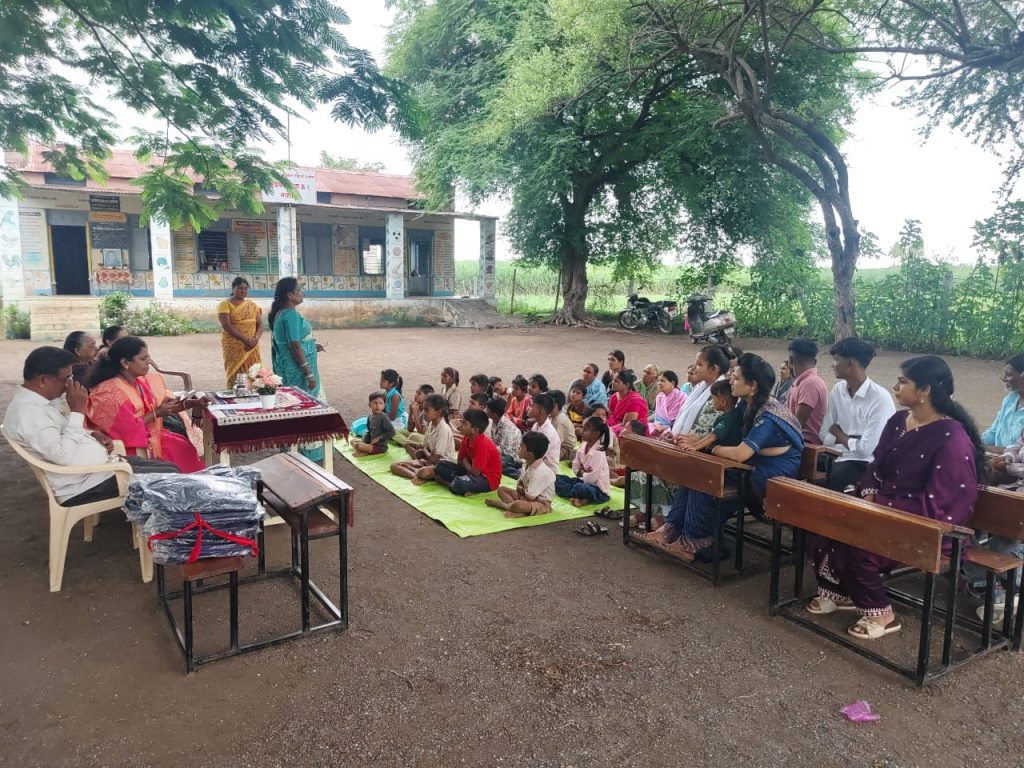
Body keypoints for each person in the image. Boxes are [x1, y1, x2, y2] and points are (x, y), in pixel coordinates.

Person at [808, 355, 983, 640]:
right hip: (884, 509)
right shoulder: (899, 421)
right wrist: (869, 495)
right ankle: (842, 594)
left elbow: (945, 503)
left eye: (903, 382)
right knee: (827, 525)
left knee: (859, 545)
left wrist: (880, 508)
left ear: (925, 390)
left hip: (926, 525)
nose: (895, 387)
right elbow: (876, 467)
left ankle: (882, 614)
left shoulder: (952, 438)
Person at [643, 353, 803, 559]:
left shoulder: (768, 415)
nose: (730, 382)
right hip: (750, 466)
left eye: (736, 378)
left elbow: (740, 453)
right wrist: (698, 442)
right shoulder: (747, 403)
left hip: (770, 476)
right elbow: (725, 434)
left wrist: (707, 448)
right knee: (696, 471)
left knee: (706, 475)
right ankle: (672, 528)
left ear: (752, 385)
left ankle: (695, 541)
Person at [3, 347, 178, 506]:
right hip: (86, 484)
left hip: (101, 470)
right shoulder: (28, 413)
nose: (70, 384)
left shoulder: (40, 402)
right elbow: (62, 455)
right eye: (66, 378)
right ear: (43, 380)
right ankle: (166, 528)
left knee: (171, 469)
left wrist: (92, 434)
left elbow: (62, 431)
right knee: (171, 479)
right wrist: (78, 411)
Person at [85, 337, 205, 473]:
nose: (148, 362)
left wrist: (192, 403)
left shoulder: (139, 381)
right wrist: (155, 413)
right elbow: (126, 432)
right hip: (128, 448)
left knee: (182, 445)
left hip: (148, 436)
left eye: (148, 357)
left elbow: (161, 408)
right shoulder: (110, 392)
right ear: (125, 362)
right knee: (177, 450)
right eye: (143, 359)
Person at [819, 337, 896, 492]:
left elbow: (865, 451)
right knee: (800, 463)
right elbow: (823, 434)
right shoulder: (838, 390)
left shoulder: (880, 399)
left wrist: (838, 433)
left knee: (832, 479)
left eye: (836, 359)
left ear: (851, 363)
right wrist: (852, 440)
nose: (833, 364)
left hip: (865, 463)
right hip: (835, 455)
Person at [269, 277, 326, 461]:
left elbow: (291, 342)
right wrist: (308, 372)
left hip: (287, 367)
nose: (303, 293)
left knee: (290, 407)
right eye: (299, 290)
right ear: (289, 295)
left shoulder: (281, 313)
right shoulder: (291, 315)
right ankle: (304, 452)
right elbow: (294, 346)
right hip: (296, 370)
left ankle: (290, 449)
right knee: (303, 407)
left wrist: (311, 346)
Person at [485, 432, 555, 517]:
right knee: (501, 490)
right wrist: (519, 491)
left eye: (521, 446)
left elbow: (531, 496)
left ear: (529, 454)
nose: (519, 448)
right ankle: (515, 509)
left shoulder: (541, 472)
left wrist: (520, 492)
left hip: (539, 503)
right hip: (524, 496)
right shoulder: (526, 464)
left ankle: (504, 505)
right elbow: (520, 484)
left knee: (519, 505)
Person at [434, 409, 502, 496]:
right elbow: (459, 461)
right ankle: (462, 484)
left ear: (475, 430)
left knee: (459, 484)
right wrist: (467, 464)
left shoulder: (483, 444)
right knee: (440, 465)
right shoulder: (466, 438)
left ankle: (449, 483)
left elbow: (475, 473)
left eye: (464, 423)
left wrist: (466, 461)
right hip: (470, 472)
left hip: (487, 479)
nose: (460, 426)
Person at [217, 277, 264, 389]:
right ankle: (236, 393)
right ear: (233, 288)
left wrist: (255, 339)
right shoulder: (225, 304)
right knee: (236, 373)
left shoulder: (252, 305)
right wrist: (246, 340)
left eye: (245, 288)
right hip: (235, 345)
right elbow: (227, 325)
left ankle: (254, 393)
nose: (243, 291)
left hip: (252, 345)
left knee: (254, 372)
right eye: (239, 288)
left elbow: (260, 324)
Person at [554, 415, 612, 507]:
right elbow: (575, 466)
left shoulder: (598, 453)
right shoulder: (583, 446)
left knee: (579, 487)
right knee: (555, 479)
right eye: (582, 428)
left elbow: (592, 479)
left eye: (585, 430)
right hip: (582, 480)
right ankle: (579, 497)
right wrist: (581, 471)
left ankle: (580, 496)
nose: (582, 432)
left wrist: (581, 472)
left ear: (596, 434)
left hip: (598, 489)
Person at [392, 393, 454, 476]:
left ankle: (416, 471)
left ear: (438, 412)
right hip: (429, 460)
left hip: (442, 466)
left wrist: (424, 450)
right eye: (424, 409)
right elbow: (426, 446)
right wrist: (411, 445)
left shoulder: (443, 429)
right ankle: (415, 473)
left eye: (427, 410)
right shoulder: (431, 424)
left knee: (424, 472)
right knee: (394, 465)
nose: (424, 413)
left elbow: (434, 459)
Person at [676, 379, 743, 454]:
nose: (711, 402)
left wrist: (694, 446)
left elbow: (713, 436)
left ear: (723, 402)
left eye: (713, 399)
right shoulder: (730, 415)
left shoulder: (730, 418)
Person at [786, 338, 829, 446]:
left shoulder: (810, 383)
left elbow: (797, 424)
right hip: (796, 440)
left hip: (806, 445)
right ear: (815, 362)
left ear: (790, 360)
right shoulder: (801, 382)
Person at [981, 354, 1024, 449]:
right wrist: (974, 441)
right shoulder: (1010, 400)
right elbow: (994, 432)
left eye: (1009, 375)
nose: (1003, 379)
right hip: (1000, 456)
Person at [486, 396, 524, 478]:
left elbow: (507, 452)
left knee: (494, 461)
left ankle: (518, 474)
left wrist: (489, 448)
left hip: (512, 458)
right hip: (501, 454)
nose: (486, 411)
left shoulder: (507, 427)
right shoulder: (494, 421)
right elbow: (494, 442)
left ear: (494, 414)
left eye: (487, 409)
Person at [608, 370, 648, 436]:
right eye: (613, 380)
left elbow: (626, 426)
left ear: (626, 385)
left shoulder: (634, 401)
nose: (613, 383)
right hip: (614, 428)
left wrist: (608, 430)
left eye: (616, 381)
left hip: (630, 432)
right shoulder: (614, 396)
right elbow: (609, 416)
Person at [529, 393, 561, 473]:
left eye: (532, 406)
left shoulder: (549, 432)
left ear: (540, 411)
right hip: (534, 464)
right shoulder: (536, 425)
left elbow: (537, 457)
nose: (529, 408)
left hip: (547, 470)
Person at [650, 369, 685, 435]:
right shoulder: (659, 397)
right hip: (659, 427)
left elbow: (682, 419)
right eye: (658, 381)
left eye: (662, 381)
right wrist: (658, 426)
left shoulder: (682, 397)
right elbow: (657, 417)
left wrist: (666, 427)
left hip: (674, 428)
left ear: (672, 383)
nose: (659, 383)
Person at [548, 389, 577, 461]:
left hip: (566, 449)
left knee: (549, 454)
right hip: (557, 445)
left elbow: (556, 442)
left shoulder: (560, 420)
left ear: (555, 405)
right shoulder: (551, 416)